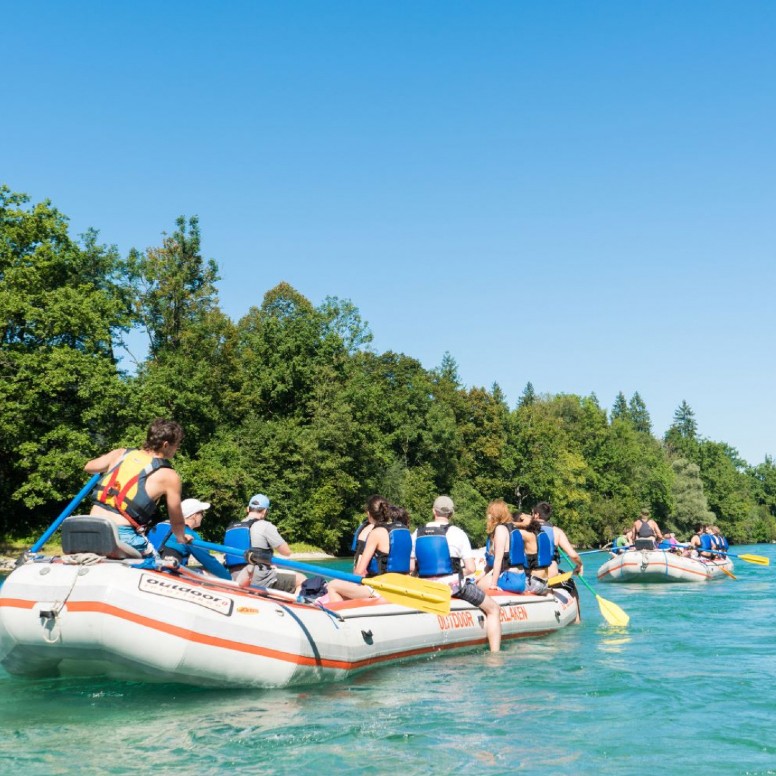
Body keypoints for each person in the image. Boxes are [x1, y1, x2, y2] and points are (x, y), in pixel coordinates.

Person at [84, 418, 188, 560]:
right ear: (165, 445)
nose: (177, 449)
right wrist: (181, 537)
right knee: (158, 564)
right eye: (177, 445)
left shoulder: (120, 454)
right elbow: (176, 522)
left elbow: (89, 467)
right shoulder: (169, 476)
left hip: (87, 528)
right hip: (121, 535)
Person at [411, 496, 502, 652]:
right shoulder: (458, 533)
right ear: (451, 514)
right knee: (494, 609)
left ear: (434, 511)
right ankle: (495, 654)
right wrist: (459, 572)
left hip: (424, 585)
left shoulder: (417, 533)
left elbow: (411, 567)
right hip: (451, 586)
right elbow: (471, 568)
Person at [327, 500, 412, 603]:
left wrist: (352, 583)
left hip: (382, 587)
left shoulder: (376, 533)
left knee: (332, 586)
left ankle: (341, 617)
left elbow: (360, 571)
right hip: (403, 584)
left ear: (369, 514)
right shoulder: (405, 531)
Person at [232, 494, 306, 594]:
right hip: (257, 579)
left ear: (247, 509)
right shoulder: (265, 526)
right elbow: (286, 552)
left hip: (235, 576)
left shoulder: (234, 527)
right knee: (302, 579)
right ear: (265, 511)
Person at [147, 498, 231, 579]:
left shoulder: (160, 525)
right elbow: (210, 562)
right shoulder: (189, 534)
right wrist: (230, 579)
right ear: (194, 516)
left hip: (149, 568)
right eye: (202, 513)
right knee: (206, 572)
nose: (203, 516)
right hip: (168, 574)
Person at [477, 499, 528, 594]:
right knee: (478, 582)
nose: (488, 516)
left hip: (510, 579)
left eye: (490, 514)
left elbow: (498, 559)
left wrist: (493, 584)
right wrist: (477, 578)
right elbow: (490, 566)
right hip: (520, 578)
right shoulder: (512, 529)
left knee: (480, 585)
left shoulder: (500, 529)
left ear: (495, 515)